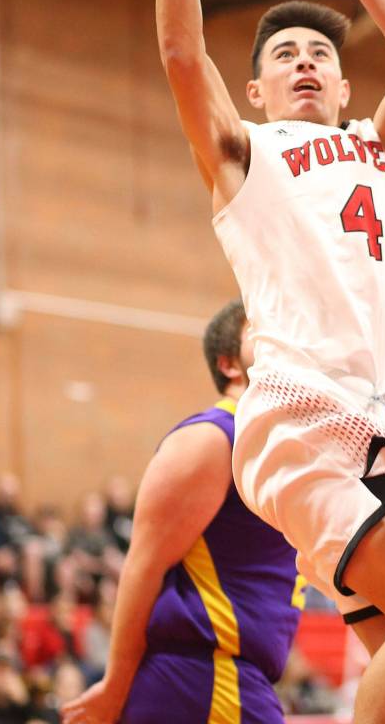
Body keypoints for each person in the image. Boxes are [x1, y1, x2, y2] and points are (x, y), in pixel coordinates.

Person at [117, 0, 385, 724]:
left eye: (320, 56)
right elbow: (177, 52)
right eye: (284, 57)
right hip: (295, 407)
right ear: (258, 91)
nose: (305, 63)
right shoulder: (243, 152)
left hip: (363, 414)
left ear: (346, 88)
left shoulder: (373, 150)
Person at [61, 300, 302, 724]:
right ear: (228, 364)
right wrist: (114, 687)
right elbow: (143, 565)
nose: (277, 337)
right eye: (258, 331)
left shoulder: (280, 447)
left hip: (233, 681)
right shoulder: (212, 438)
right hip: (205, 679)